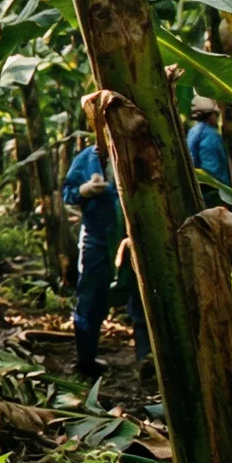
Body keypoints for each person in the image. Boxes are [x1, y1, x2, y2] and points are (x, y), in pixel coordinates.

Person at [61, 140, 147, 378]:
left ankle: (146, 361)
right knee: (90, 299)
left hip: (136, 241)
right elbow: (68, 193)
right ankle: (86, 362)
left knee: (142, 301)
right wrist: (84, 190)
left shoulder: (140, 150)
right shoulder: (89, 157)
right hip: (97, 239)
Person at [188, 95, 231, 199]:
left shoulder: (193, 131)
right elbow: (212, 167)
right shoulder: (210, 134)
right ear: (211, 115)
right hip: (213, 189)